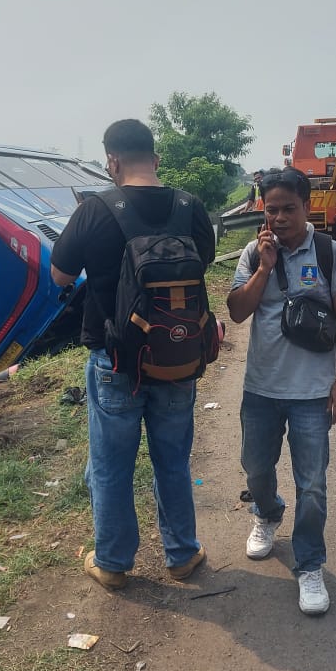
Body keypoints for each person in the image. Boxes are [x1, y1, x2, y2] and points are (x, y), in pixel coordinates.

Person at [50, 118, 215, 590]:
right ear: (156, 159)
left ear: (112, 161)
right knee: (172, 461)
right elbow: (200, 263)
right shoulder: (190, 206)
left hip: (115, 362)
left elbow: (59, 277)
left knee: (112, 465)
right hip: (178, 356)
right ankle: (182, 554)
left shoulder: (94, 210)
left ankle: (113, 563)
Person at [227, 167, 336, 615]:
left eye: (289, 208)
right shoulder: (251, 252)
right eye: (272, 210)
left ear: (307, 207)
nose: (280, 218)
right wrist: (264, 267)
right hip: (261, 389)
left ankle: (309, 565)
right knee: (255, 468)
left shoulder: (330, 253)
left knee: (314, 485)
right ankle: (267, 512)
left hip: (312, 393)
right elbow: (238, 312)